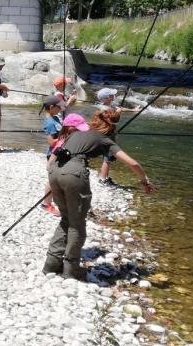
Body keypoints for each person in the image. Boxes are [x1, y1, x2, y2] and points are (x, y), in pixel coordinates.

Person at [43, 113, 155, 280]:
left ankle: (51, 264)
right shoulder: (105, 140)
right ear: (111, 131)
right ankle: (71, 269)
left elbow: (51, 160)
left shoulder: (74, 134)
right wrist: (145, 181)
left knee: (65, 219)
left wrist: (59, 176)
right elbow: (133, 163)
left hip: (54, 173)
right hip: (74, 174)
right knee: (77, 224)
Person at [95, 88, 141, 187]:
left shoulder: (110, 106)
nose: (114, 96)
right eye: (112, 95)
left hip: (111, 135)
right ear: (107, 98)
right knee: (107, 158)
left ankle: (105, 177)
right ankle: (102, 179)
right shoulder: (104, 109)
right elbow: (111, 120)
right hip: (107, 136)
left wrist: (133, 110)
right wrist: (117, 113)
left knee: (109, 158)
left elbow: (121, 109)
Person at [38, 96, 64, 216]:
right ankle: (46, 203)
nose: (61, 108)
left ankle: (56, 200)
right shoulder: (50, 122)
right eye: (59, 107)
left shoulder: (55, 118)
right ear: (52, 107)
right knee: (52, 180)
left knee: (58, 178)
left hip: (59, 153)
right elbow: (51, 142)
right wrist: (66, 137)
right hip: (53, 155)